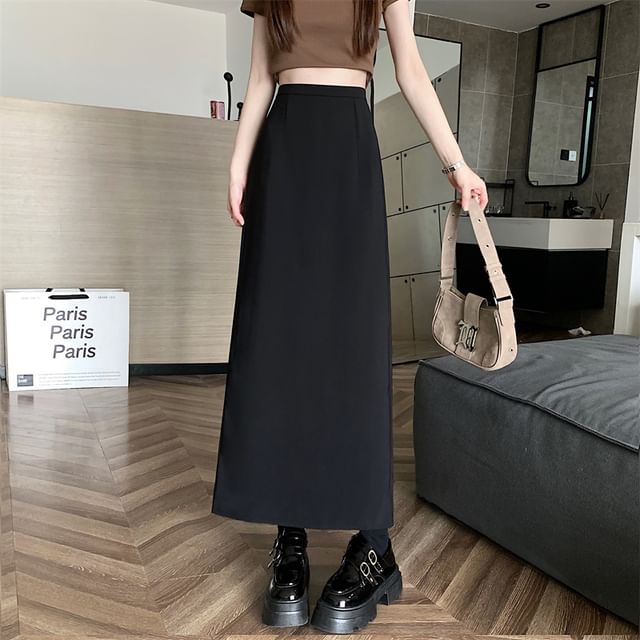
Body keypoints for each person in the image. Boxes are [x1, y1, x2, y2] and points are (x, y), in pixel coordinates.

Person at [211, 0, 489, 634]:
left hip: (347, 152)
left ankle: (373, 545)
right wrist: (238, 166)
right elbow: (260, 78)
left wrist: (457, 164)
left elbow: (410, 71)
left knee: (352, 347)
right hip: (283, 154)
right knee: (282, 345)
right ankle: (290, 535)